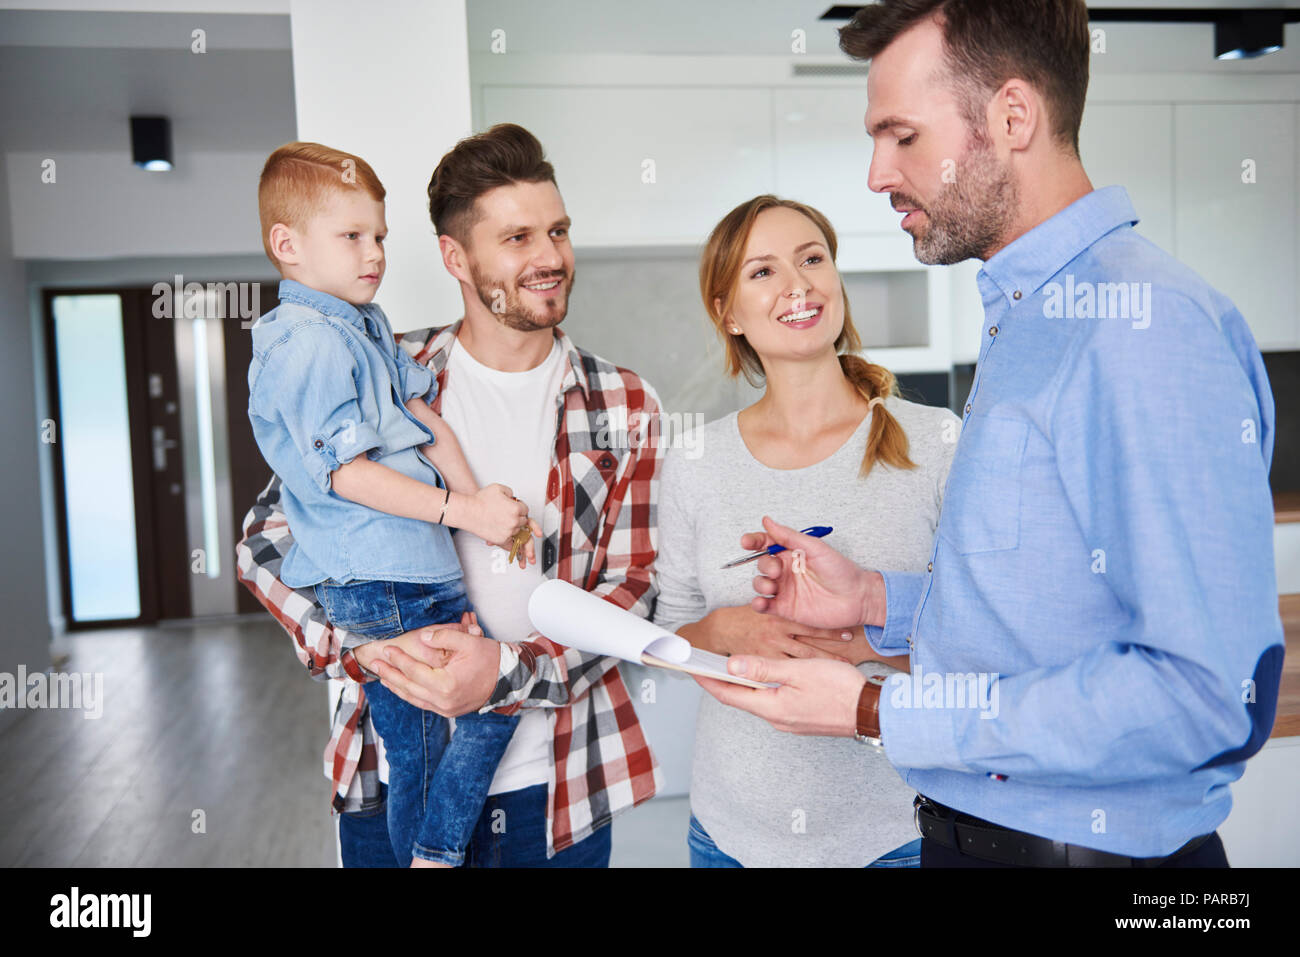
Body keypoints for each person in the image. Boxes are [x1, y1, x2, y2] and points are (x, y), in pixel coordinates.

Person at [695, 0, 1282, 868]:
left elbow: (1208, 696)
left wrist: (871, 709)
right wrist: (874, 602)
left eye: (900, 136)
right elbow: (1048, 612)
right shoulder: (1029, 319)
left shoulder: (1140, 326)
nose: (874, 173)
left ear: (1011, 118)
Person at [236, 124, 663, 867]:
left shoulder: (623, 403)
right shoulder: (378, 364)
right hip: (389, 780)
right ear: (454, 257)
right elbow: (267, 538)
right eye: (519, 237)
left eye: (558, 230)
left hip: (555, 793)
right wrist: (366, 649)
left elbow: (635, 594)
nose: (550, 257)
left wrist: (501, 671)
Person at [247, 142, 543, 868]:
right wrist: (464, 513)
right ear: (287, 245)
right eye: (352, 236)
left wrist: (480, 499)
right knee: (415, 753)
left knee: (491, 706)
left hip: (422, 571)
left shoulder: (366, 322)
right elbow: (346, 475)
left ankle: (435, 850)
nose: (374, 252)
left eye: (379, 235)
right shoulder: (308, 342)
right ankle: (433, 855)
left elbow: (423, 416)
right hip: (380, 582)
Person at [652, 194, 960, 867]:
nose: (798, 285)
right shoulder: (695, 462)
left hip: (898, 835)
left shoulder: (938, 443)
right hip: (729, 838)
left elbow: (986, 644)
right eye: (762, 272)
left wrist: (857, 644)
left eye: (812, 258)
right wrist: (722, 632)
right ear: (726, 312)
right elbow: (668, 635)